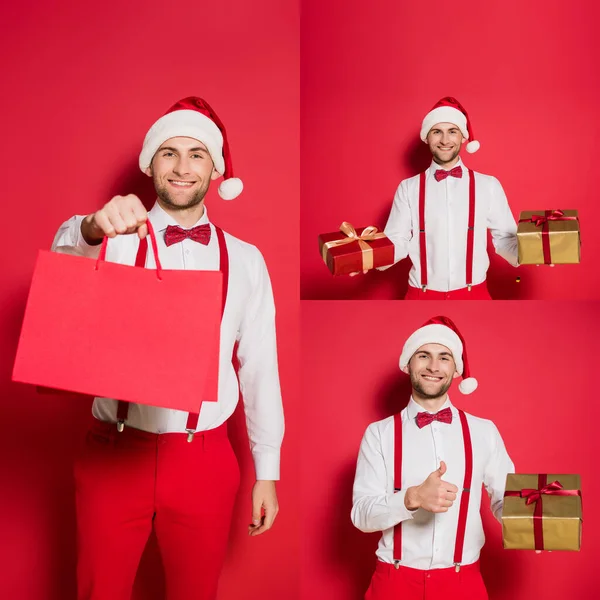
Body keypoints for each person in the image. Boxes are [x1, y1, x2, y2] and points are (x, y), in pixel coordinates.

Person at [51, 96, 284, 600]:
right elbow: (62, 264)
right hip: (115, 450)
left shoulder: (246, 260)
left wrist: (268, 472)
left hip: (202, 459)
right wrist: (92, 227)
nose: (182, 167)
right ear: (150, 163)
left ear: (216, 169)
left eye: (197, 153)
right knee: (99, 592)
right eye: (169, 153)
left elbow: (260, 369)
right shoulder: (110, 232)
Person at [352, 316, 514, 599]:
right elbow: (361, 515)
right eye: (423, 355)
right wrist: (411, 498)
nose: (433, 367)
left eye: (444, 358)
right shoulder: (379, 434)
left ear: (455, 369)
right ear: (408, 364)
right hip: (394, 582)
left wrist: (536, 528)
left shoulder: (484, 431)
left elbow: (505, 499)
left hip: (463, 584)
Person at [377, 97, 519, 299]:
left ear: (463, 137)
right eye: (437, 132)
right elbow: (396, 240)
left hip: (475, 296)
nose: (445, 140)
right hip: (420, 296)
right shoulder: (408, 188)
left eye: (452, 131)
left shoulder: (488, 185)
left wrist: (537, 251)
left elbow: (506, 238)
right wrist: (366, 260)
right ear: (426, 137)